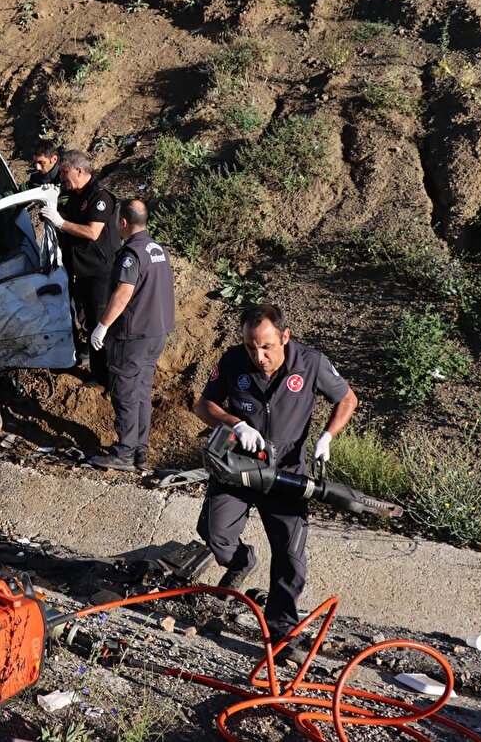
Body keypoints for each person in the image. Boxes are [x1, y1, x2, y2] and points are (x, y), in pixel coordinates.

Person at [192, 304, 357, 653]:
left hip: (286, 475)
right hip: (239, 467)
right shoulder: (234, 360)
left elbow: (347, 399)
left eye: (266, 346)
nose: (259, 355)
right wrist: (235, 423)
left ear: (284, 337)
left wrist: (327, 437)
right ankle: (240, 562)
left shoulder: (311, 363)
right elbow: (204, 405)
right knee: (215, 533)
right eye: (252, 347)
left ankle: (282, 632)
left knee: (289, 556)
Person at [86, 200, 174, 473]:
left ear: (123, 222)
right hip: (157, 332)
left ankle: (125, 452)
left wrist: (102, 326)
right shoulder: (158, 250)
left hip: (133, 334)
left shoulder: (131, 254)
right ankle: (140, 450)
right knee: (142, 391)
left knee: (125, 391)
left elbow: (123, 293)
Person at [38, 149, 119, 384]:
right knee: (85, 320)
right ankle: (95, 367)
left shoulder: (99, 197)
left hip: (99, 272)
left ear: (79, 170)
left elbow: (92, 232)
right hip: (79, 271)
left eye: (64, 172)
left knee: (100, 323)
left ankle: (107, 378)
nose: (62, 177)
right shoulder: (75, 194)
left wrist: (60, 222)